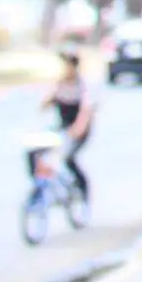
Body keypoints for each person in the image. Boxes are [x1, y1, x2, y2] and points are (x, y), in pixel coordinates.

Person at [42, 47, 97, 199]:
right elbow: (45, 104)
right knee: (39, 153)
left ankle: (82, 191)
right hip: (63, 128)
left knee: (68, 158)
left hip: (79, 130)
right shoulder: (60, 84)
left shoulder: (83, 85)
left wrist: (78, 129)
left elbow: (86, 111)